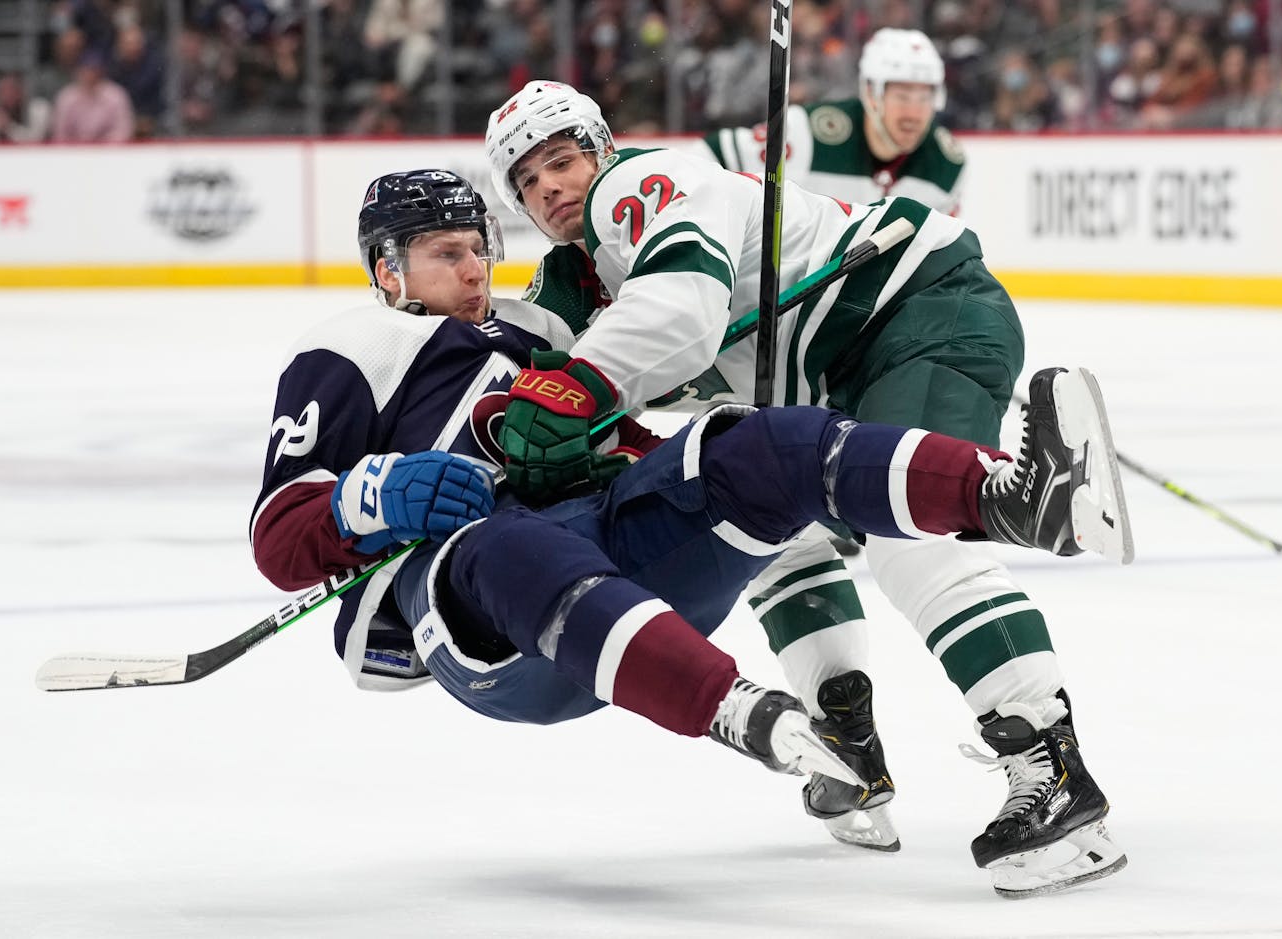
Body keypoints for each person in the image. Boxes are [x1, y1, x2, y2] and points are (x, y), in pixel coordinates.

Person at [249, 169, 1132, 891]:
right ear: (388, 270)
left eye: (482, 248)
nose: (475, 270)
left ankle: (1017, 496)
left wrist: (612, 446)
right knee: (510, 543)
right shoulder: (351, 346)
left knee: (757, 445)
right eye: (447, 254)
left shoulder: (529, 343)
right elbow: (278, 535)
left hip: (604, 543)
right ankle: (741, 712)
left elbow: (631, 438)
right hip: (490, 622)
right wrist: (373, 495)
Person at [485, 81, 1132, 897]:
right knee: (767, 530)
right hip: (825, 384)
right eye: (527, 181)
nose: (547, 186)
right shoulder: (572, 280)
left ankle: (1052, 763)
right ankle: (848, 742)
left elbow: (680, 309)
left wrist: (579, 388)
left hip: (913, 314)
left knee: (905, 539)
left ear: (601, 149)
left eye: (561, 159)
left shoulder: (633, 189)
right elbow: (510, 371)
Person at [703, 28, 966, 215]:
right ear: (871, 95)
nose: (915, 113)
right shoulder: (807, 133)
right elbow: (710, 155)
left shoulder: (946, 163)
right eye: (902, 96)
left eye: (924, 97)